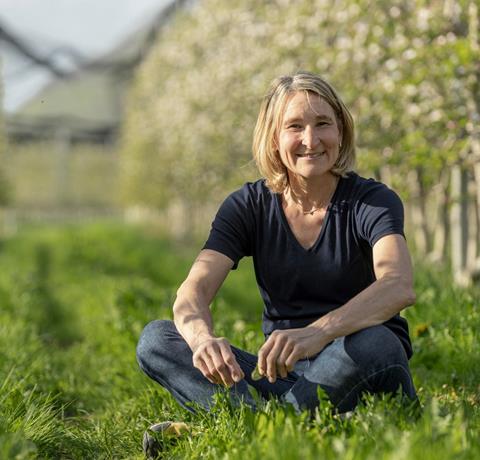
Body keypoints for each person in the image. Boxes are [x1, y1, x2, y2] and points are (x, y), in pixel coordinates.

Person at [136, 71, 418, 454]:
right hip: (282, 373)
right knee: (157, 338)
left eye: (323, 124)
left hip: (360, 363)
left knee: (376, 341)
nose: (310, 140)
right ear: (273, 138)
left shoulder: (371, 200)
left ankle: (244, 426)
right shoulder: (248, 206)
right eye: (294, 127)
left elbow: (397, 285)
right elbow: (194, 290)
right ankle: (288, 423)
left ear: (341, 131)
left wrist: (319, 332)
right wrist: (202, 340)